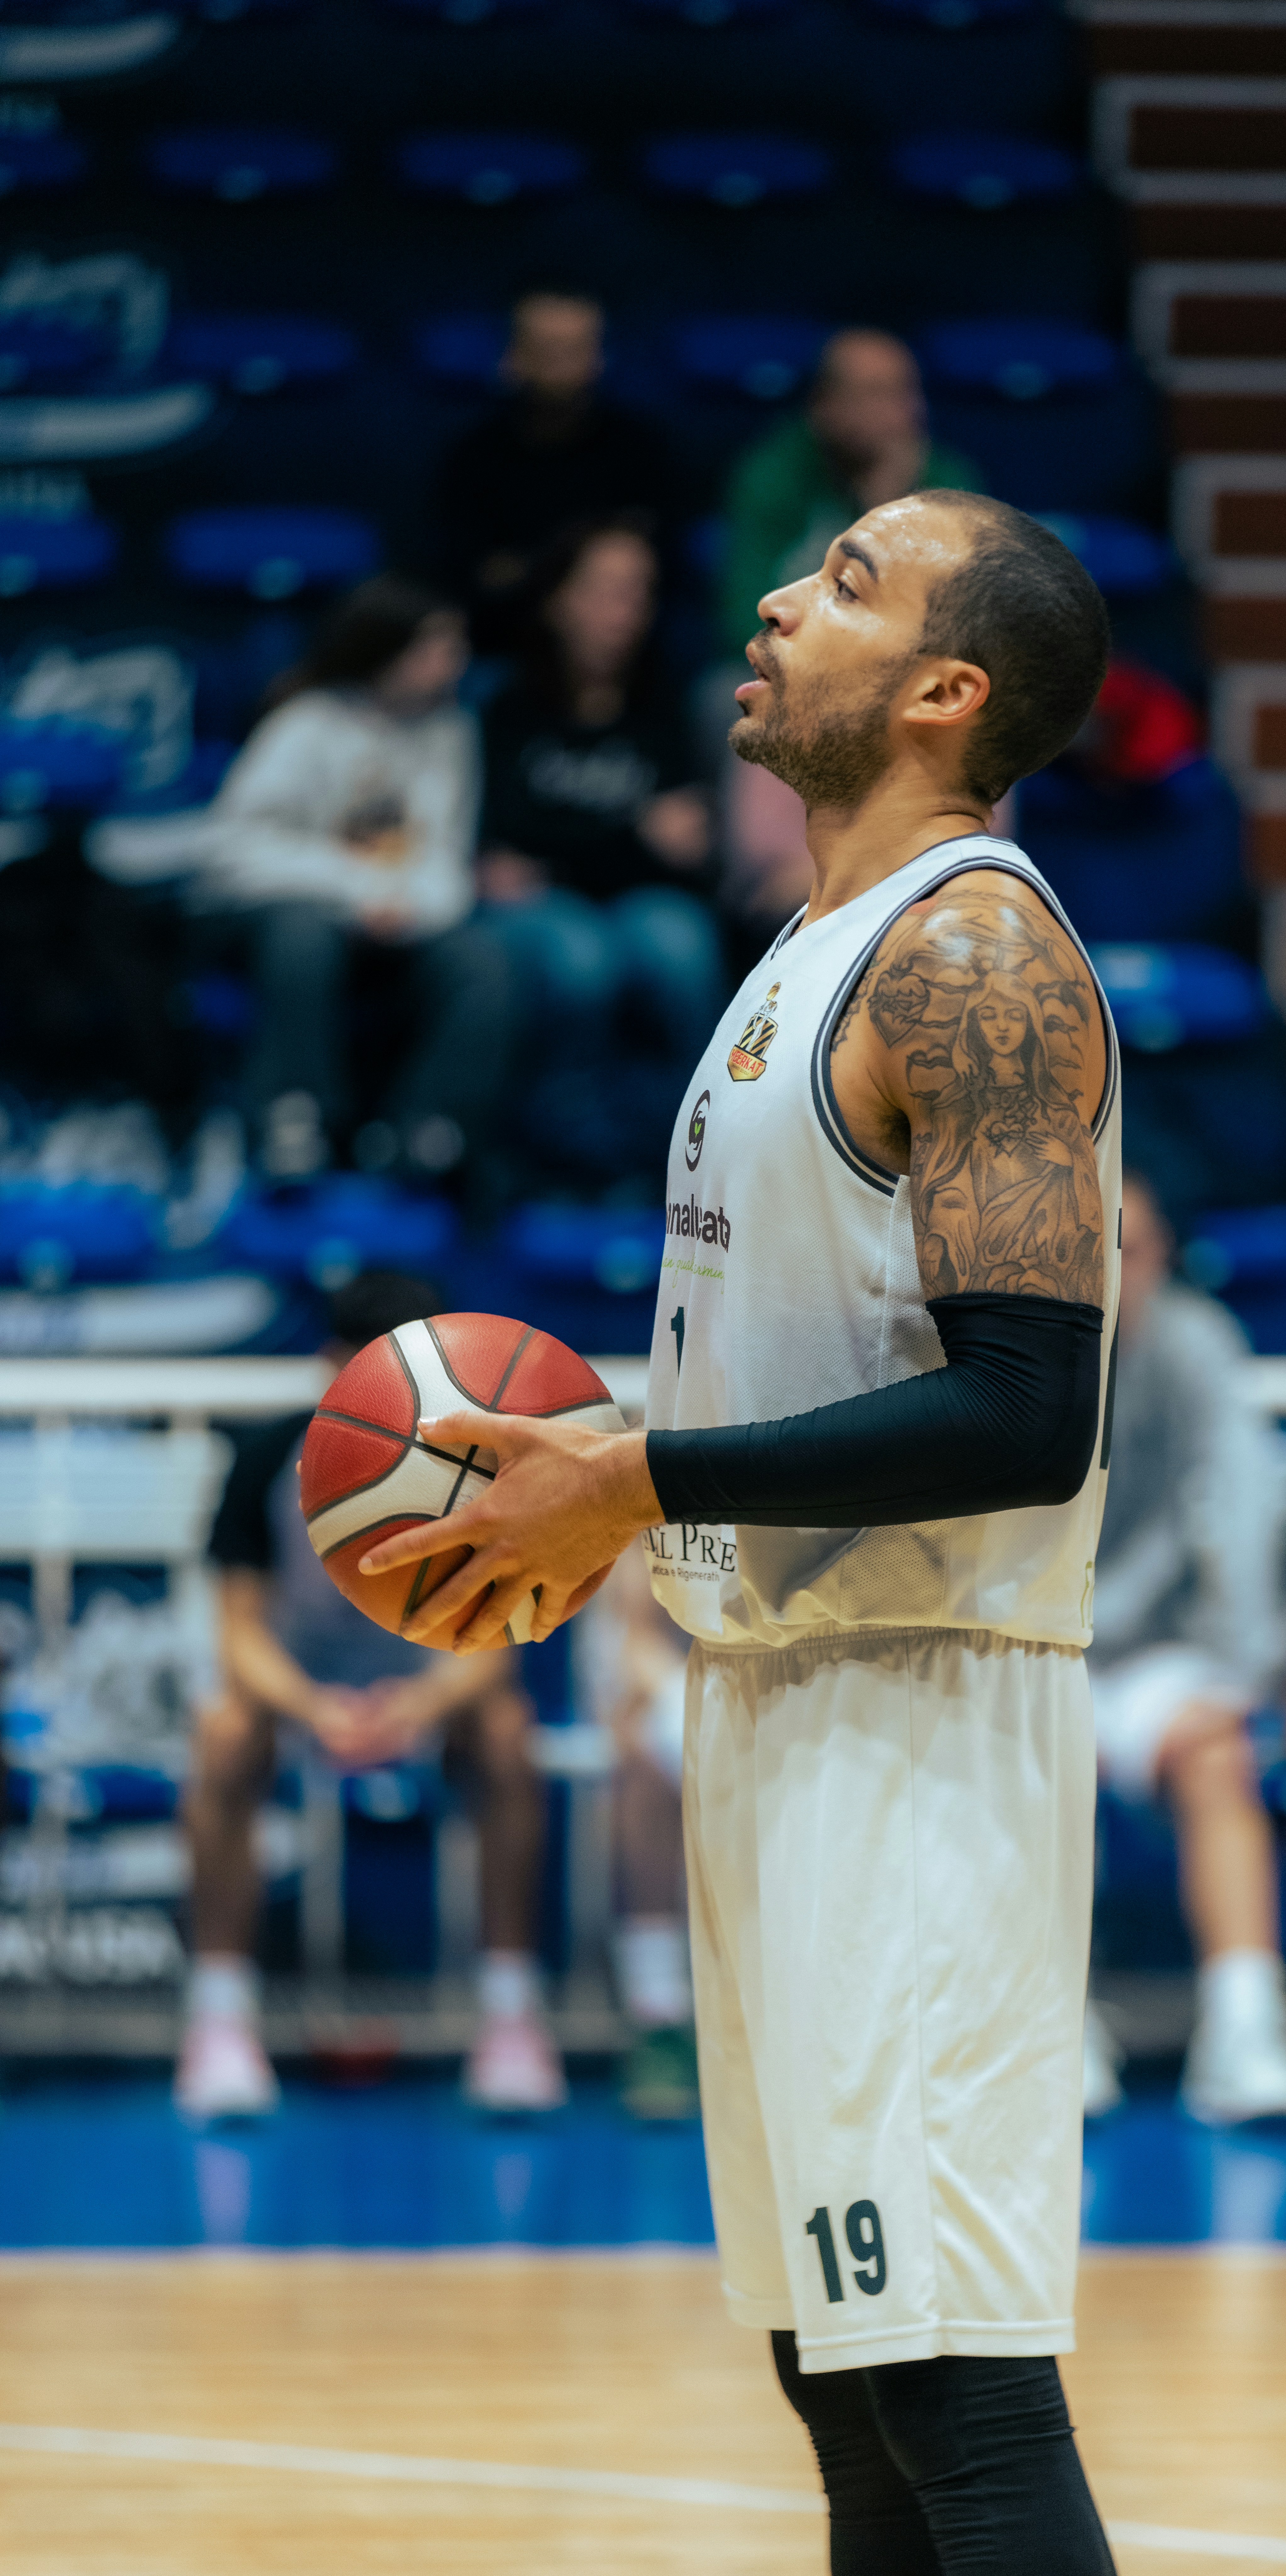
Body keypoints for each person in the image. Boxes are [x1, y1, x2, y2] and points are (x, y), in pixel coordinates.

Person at [359, 489, 1124, 2571]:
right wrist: (624, 1462)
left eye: (851, 584)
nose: (782, 598)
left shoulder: (977, 951)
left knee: (957, 2388)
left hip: (923, 1722)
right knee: (845, 2382)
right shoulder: (811, 944)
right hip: (779, 1697)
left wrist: (641, 1478)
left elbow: (1028, 1412)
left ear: (949, 692)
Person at [174, 1270, 565, 2122]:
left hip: (425, 1686)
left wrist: (411, 1709)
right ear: (329, 1364)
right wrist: (318, 1710)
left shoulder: (480, 1471)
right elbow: (240, 1632)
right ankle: (219, 2022)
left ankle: (510, 2020)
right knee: (222, 1732)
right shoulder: (270, 1456)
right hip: (304, 1691)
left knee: (505, 1734)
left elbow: (495, 1644)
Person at [1085, 1171, 1286, 2124]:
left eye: (1129, 1248)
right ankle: (1049, 2027)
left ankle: (1243, 2029)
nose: (1108, 1270)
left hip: (1152, 1656)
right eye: (1089, 1246)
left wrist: (1241, 1677)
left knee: (1218, 1754)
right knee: (1025, 1769)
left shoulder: (1197, 1348)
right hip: (1018, 1652)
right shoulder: (1004, 1347)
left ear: (1164, 1259)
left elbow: (1238, 1514)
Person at [200, 577, 513, 1194]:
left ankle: (428, 1130)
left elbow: (445, 855)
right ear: (388, 652)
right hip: (283, 912)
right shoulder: (306, 722)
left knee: (482, 962)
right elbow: (234, 848)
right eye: (438, 647)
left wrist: (407, 906)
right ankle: (295, 1120)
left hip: (399, 920)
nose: (456, 663)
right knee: (301, 935)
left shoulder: (451, 733)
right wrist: (356, 892)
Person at [478, 519, 724, 1184]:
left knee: (678, 943)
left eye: (640, 594)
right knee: (579, 957)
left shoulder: (664, 700)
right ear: (560, 600)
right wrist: (630, 831)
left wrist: (573, 847)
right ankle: (565, 1152)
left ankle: (696, 1147)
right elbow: (502, 843)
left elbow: (690, 850)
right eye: (608, 591)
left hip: (634, 900)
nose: (627, 612)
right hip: (547, 910)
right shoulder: (509, 705)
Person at [717, 330, 981, 660]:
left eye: (909, 392)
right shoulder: (774, 474)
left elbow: (962, 615)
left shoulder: (947, 481)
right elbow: (744, 615)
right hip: (793, 660)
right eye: (879, 393)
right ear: (825, 404)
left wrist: (890, 504)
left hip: (906, 664)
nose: (907, 412)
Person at [434, 285, 677, 624]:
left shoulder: (642, 455)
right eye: (547, 351)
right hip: (498, 645)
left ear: (600, 357)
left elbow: (657, 575)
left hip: (625, 648)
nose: (561, 369)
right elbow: (467, 579)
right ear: (511, 356)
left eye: (574, 350)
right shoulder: (471, 459)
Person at [572, 1542, 699, 2120]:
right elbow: (637, 1640)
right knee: (643, 1772)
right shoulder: (648, 1523)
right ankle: (660, 2019)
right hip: (676, 1704)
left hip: (755, 1698)